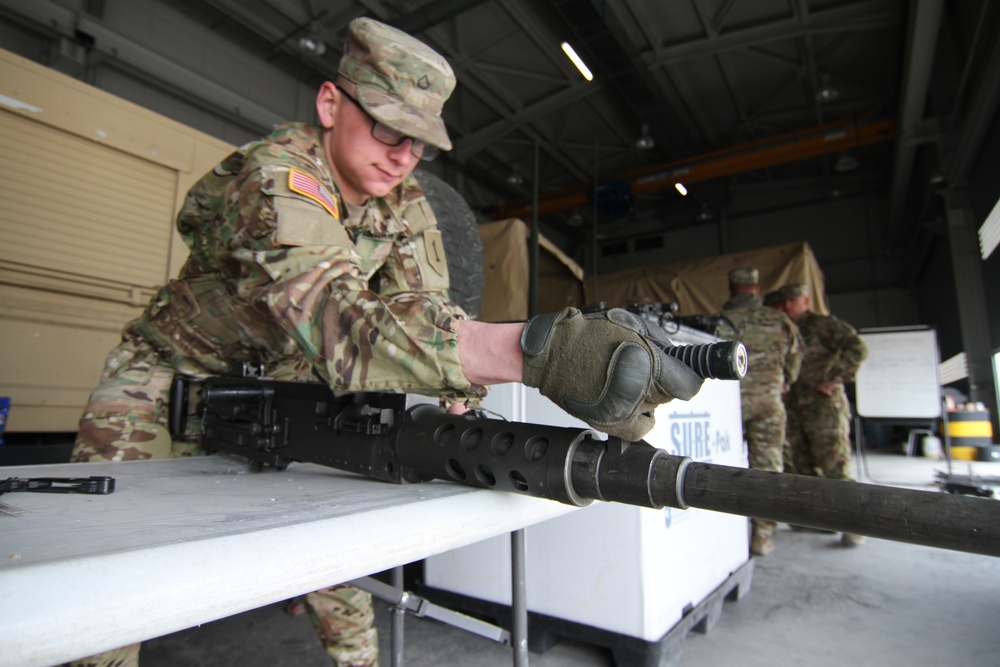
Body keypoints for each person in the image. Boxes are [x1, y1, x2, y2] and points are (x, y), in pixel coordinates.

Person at [66, 17, 703, 667]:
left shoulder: (406, 203)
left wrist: (459, 401)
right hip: (168, 383)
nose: (403, 155)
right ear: (330, 104)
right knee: (104, 590)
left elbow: (422, 311)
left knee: (331, 560)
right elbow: (341, 321)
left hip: (283, 389)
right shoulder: (278, 177)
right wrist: (535, 352)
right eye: (388, 128)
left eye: (420, 141)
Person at [717, 269, 802, 556]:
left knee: (723, 463)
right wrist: (781, 384)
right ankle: (762, 535)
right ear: (756, 288)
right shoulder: (779, 320)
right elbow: (794, 359)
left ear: (731, 290)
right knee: (768, 466)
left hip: (728, 406)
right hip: (768, 404)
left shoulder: (717, 322)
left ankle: (723, 529)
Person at [780, 282, 868, 547]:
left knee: (834, 465)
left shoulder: (823, 325)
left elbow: (858, 349)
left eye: (791, 301)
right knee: (803, 467)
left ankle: (854, 526)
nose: (786, 306)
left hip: (823, 408)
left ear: (805, 301)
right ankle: (822, 520)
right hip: (796, 407)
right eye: (784, 302)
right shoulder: (784, 328)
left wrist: (834, 379)